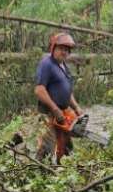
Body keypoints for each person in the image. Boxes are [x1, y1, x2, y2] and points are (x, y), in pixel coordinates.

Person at [35, 32, 82, 162]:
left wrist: (76, 107)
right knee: (46, 148)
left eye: (67, 50)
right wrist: (55, 109)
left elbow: (67, 90)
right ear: (53, 47)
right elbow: (39, 90)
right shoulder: (47, 64)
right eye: (61, 48)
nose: (64, 52)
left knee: (66, 147)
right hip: (49, 114)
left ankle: (64, 172)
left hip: (63, 114)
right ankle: (39, 173)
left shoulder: (64, 67)